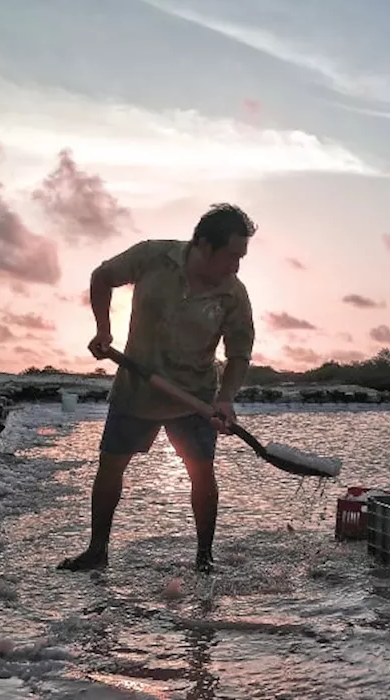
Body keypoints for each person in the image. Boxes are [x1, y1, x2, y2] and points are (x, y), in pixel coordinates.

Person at [58, 203, 257, 575]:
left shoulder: (234, 294)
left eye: (241, 257)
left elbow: (239, 352)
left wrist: (225, 398)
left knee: (202, 474)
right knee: (110, 468)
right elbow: (102, 276)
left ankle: (204, 558)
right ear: (202, 244)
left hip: (194, 397)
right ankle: (97, 550)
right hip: (137, 389)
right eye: (231, 255)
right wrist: (103, 329)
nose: (236, 266)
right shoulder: (153, 256)